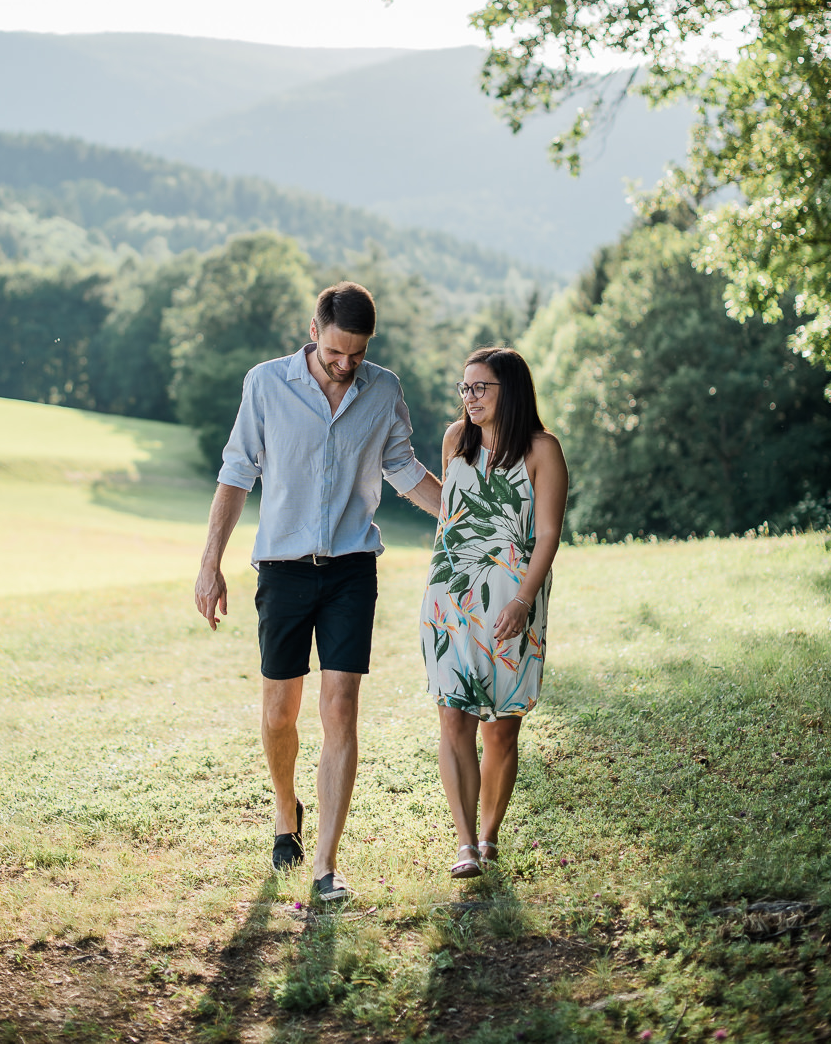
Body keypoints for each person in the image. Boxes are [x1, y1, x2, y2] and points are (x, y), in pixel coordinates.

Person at [194, 281, 442, 903]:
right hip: (283, 569)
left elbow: (403, 467)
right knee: (280, 713)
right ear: (313, 332)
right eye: (335, 352)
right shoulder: (265, 385)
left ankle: (326, 864)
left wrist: (465, 516)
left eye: (358, 353)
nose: (346, 364)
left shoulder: (382, 390)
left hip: (352, 568)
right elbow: (236, 473)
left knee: (340, 708)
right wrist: (209, 564)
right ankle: (287, 812)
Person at [421, 346, 568, 878]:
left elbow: (547, 534)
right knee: (453, 717)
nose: (470, 397)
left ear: (512, 390)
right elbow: (452, 518)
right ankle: (464, 845)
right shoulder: (455, 441)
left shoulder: (541, 450)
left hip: (514, 604)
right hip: (450, 602)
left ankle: (488, 838)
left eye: (481, 387)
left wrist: (523, 601)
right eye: (465, 387)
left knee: (502, 729)